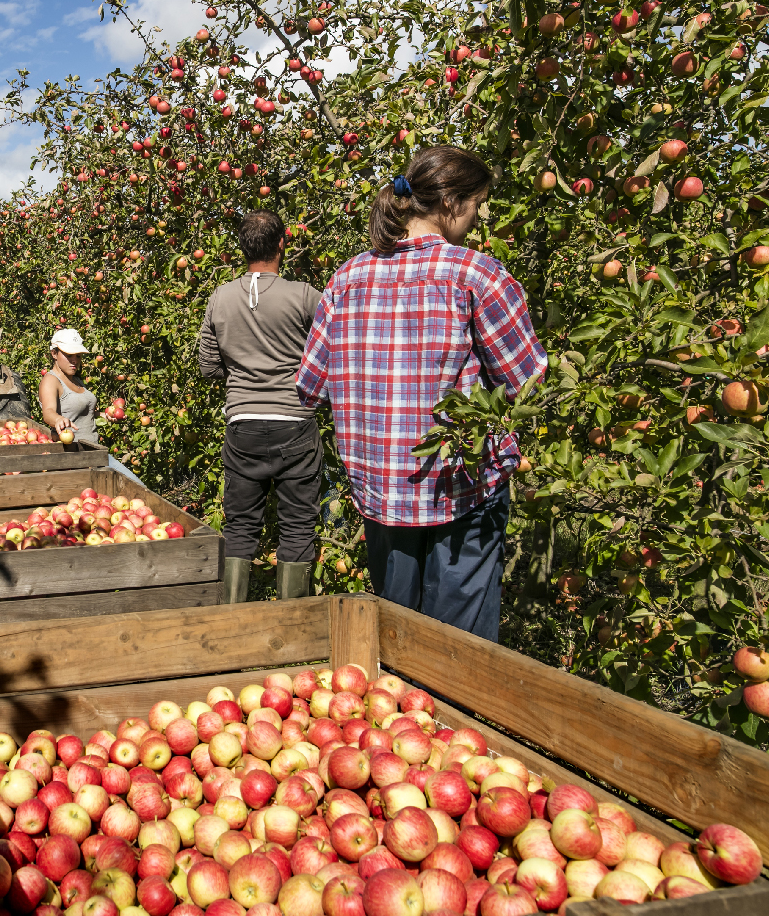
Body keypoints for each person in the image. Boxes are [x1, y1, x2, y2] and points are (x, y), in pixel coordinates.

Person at [296, 145, 548, 641]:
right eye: (476, 204)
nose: (477, 219)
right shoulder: (478, 275)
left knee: (394, 642)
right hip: (463, 489)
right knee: (458, 650)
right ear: (452, 203)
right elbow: (527, 385)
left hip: (381, 494)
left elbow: (309, 388)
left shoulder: (347, 279)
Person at [198, 210, 325, 604]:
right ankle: (292, 628)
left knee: (239, 526)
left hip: (243, 425)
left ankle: (234, 619)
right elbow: (333, 350)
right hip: (295, 423)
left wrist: (242, 375)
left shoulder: (220, 297)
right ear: (282, 243)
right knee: (298, 525)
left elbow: (207, 365)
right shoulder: (303, 295)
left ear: (242, 248)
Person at [37, 328, 143, 485]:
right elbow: (48, 412)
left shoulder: (75, 380)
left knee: (138, 488)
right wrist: (58, 419)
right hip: (75, 458)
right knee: (135, 489)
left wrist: (103, 415)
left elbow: (81, 412)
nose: (74, 360)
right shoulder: (51, 381)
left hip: (95, 454)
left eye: (78, 356)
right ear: (54, 354)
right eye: (68, 355)